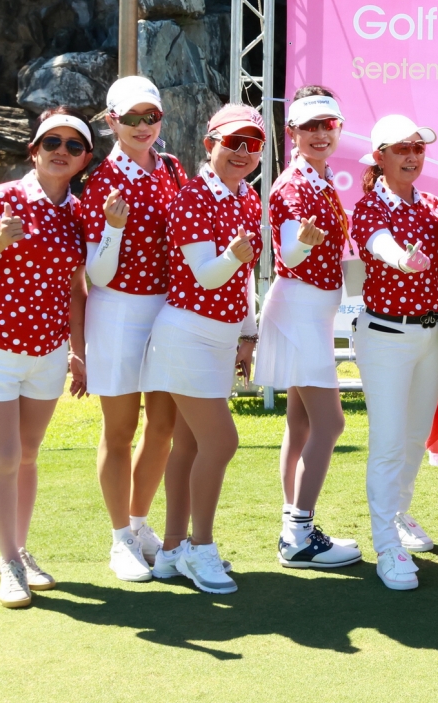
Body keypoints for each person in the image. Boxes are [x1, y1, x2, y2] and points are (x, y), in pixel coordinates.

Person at [0, 109, 94, 607]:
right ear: (33, 150)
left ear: (83, 160)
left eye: (73, 146)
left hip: (48, 353)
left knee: (29, 455)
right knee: (5, 456)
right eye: (51, 141)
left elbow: (78, 289)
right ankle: (9, 562)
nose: (62, 150)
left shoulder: (78, 214)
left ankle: (16, 549)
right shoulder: (0, 200)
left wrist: (78, 352)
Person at [141, 104, 266, 595]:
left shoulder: (246, 199)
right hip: (187, 332)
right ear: (209, 144)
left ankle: (172, 550)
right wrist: (233, 254)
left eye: (252, 145)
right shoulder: (193, 197)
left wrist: (247, 334)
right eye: (232, 143)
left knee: (190, 445)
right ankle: (200, 546)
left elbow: (246, 278)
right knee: (222, 442)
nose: (242, 153)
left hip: (218, 335)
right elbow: (205, 275)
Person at [77, 76, 186, 582]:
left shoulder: (173, 169)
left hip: (166, 309)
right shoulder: (100, 183)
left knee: (162, 426)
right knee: (120, 430)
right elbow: (96, 274)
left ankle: (141, 525)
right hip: (117, 309)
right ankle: (120, 538)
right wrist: (114, 229)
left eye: (152, 117)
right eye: (133, 118)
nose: (144, 126)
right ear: (112, 121)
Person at [255, 87, 361, 570]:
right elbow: (289, 253)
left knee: (299, 423)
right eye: (310, 127)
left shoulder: (318, 178)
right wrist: (301, 244)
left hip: (309, 309)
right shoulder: (295, 185)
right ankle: (299, 532)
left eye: (328, 125)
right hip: (299, 307)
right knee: (330, 422)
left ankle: (292, 528)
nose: (320, 134)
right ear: (292, 133)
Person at [348, 114, 438, 591]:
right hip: (385, 337)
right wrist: (401, 257)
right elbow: (377, 243)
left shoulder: (432, 203)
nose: (412, 155)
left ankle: (399, 513)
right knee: (389, 442)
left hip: (431, 337)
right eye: (400, 149)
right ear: (380, 158)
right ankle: (384, 541)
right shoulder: (370, 206)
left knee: (413, 439)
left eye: (417, 147)